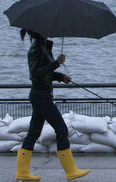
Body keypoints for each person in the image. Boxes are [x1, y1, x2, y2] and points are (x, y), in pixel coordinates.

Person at [15, 29, 90, 181]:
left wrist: (61, 77)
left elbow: (45, 74)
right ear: (38, 31)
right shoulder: (36, 49)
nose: (48, 31)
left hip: (41, 95)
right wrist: (56, 63)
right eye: (44, 30)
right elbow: (36, 74)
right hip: (41, 96)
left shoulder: (42, 47)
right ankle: (70, 171)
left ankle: (22, 172)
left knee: (34, 133)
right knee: (61, 129)